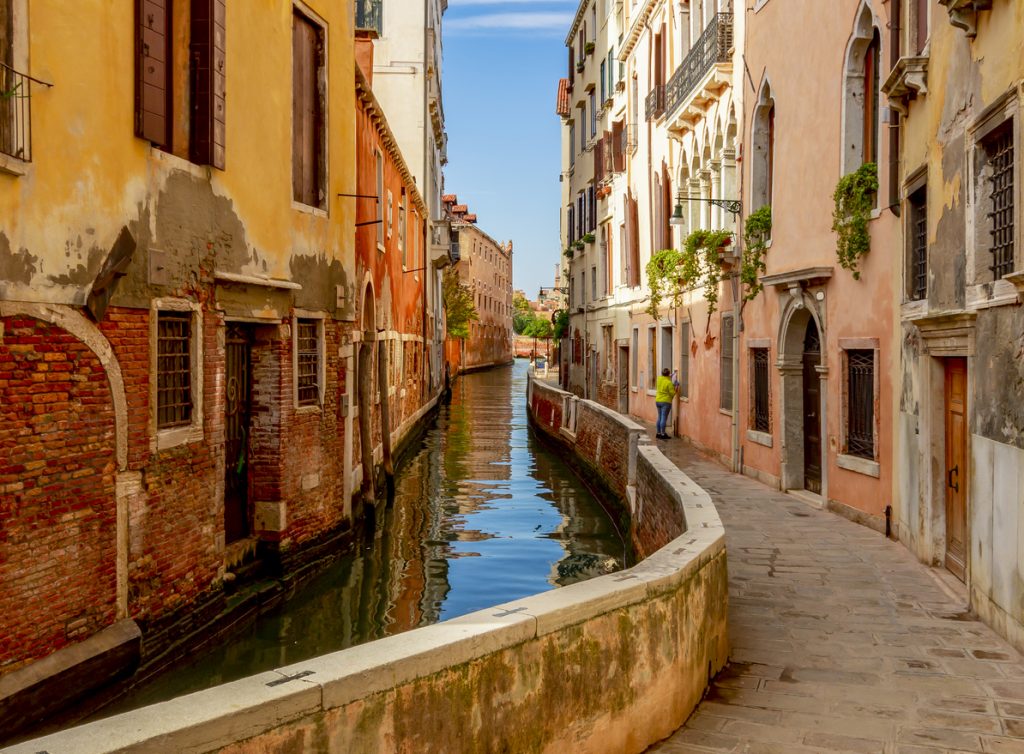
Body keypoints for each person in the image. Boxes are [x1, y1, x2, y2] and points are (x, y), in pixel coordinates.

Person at [654, 367, 679, 440]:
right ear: (668, 374)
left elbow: (665, 378)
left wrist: (669, 376)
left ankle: (658, 433)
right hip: (665, 402)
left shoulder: (659, 379)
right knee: (664, 418)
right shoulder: (669, 383)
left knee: (659, 417)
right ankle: (663, 434)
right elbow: (672, 394)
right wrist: (676, 387)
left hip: (658, 400)